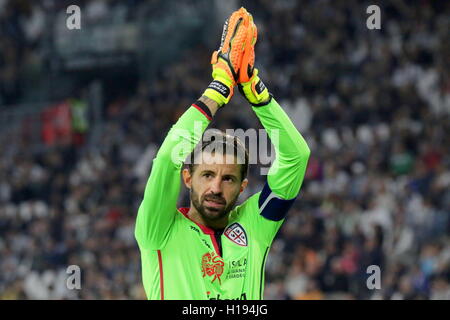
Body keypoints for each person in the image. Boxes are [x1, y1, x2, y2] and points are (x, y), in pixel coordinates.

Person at [134, 7, 310, 300]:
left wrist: (257, 94)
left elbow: (297, 157)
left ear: (242, 187)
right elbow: (167, 160)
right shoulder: (158, 230)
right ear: (187, 177)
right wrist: (217, 91)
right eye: (207, 175)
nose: (216, 188)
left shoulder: (255, 225)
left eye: (228, 179)